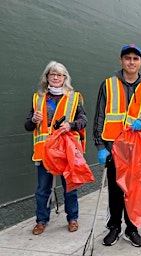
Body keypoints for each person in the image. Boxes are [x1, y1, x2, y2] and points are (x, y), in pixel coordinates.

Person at [93, 44, 141, 247]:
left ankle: (132, 228)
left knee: (134, 190)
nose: (131, 62)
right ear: (121, 60)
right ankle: (114, 226)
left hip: (138, 148)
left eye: (135, 58)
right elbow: (99, 116)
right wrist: (100, 147)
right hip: (114, 147)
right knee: (115, 190)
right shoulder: (108, 85)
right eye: (127, 58)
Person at [25, 61, 87, 235]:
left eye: (59, 75)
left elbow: (84, 120)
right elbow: (28, 126)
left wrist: (72, 125)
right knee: (42, 189)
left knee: (70, 187)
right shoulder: (38, 98)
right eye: (52, 74)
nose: (56, 77)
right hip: (45, 151)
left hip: (66, 150)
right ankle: (41, 220)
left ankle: (72, 218)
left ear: (65, 78)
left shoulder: (74, 97)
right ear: (46, 77)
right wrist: (33, 120)